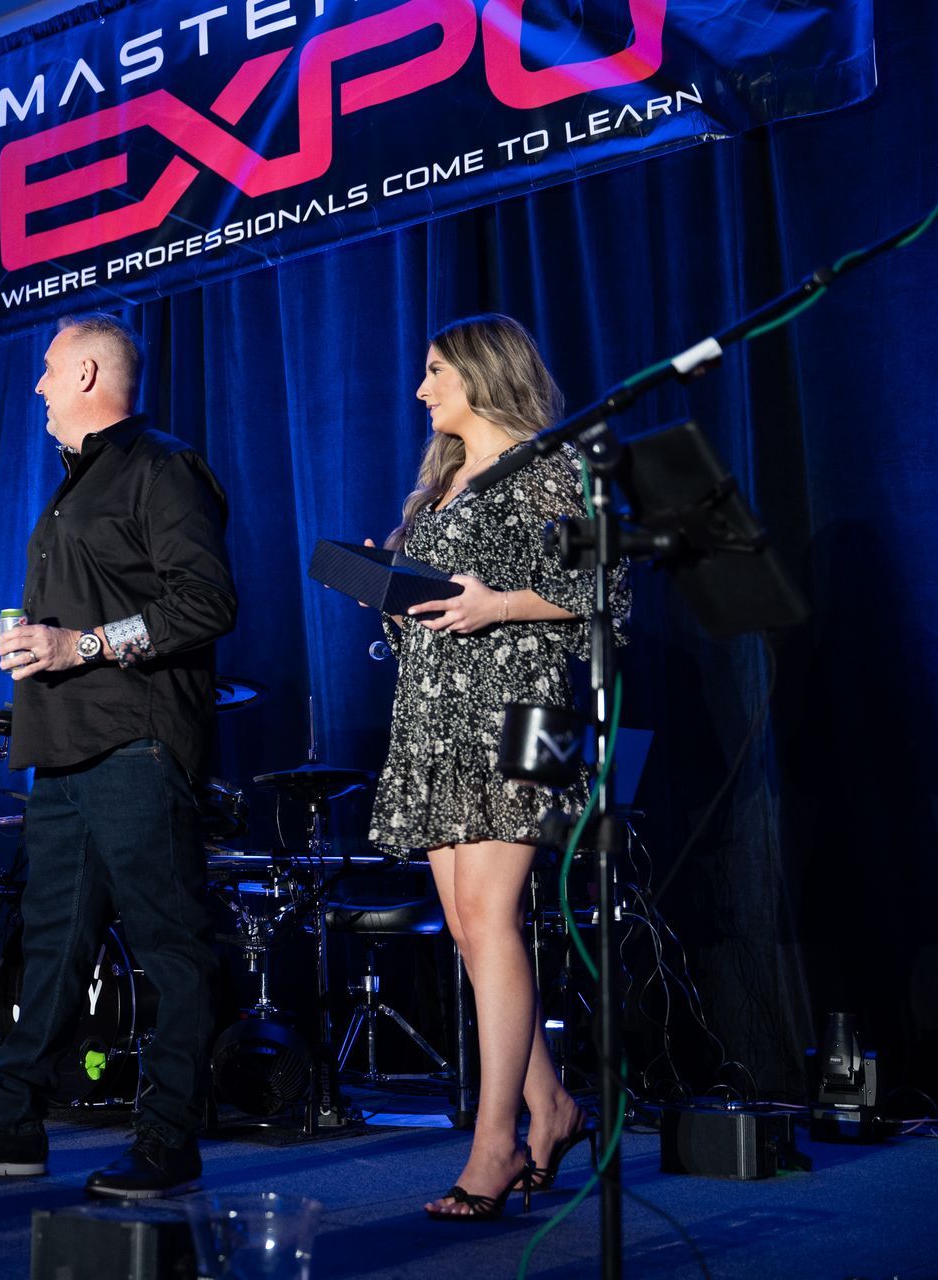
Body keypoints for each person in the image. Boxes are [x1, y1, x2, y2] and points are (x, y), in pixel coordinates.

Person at [0, 314, 236, 1199]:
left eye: (49, 371)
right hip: (66, 752)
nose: (39, 387)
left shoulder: (161, 467)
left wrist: (80, 645)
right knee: (49, 948)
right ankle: (10, 1124)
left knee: (169, 944)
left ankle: (169, 1139)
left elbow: (206, 603)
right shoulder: (75, 486)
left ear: (88, 373)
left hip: (136, 743)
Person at [366, 315, 629, 1219]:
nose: (421, 388)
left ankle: (495, 1147)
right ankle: (550, 1107)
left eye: (434, 370)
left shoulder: (552, 467)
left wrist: (495, 604)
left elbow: (607, 588)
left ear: (482, 375)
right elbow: (445, 604)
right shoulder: (442, 484)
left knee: (493, 918)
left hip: (524, 712)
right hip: (438, 719)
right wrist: (397, 596)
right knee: (471, 929)